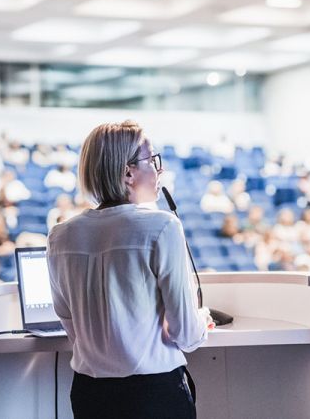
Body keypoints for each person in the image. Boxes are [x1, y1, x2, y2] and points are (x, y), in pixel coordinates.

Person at [47, 121, 211, 419]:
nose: (159, 171)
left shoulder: (60, 236)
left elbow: (68, 319)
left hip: (89, 394)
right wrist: (203, 318)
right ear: (128, 172)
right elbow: (186, 334)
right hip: (154, 395)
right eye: (153, 160)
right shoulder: (162, 226)